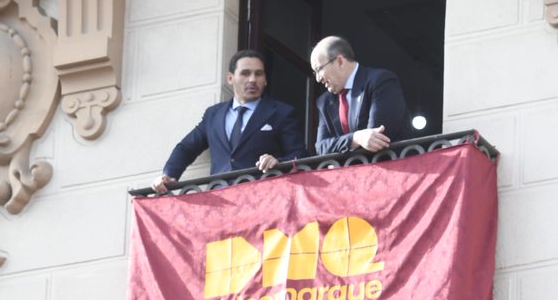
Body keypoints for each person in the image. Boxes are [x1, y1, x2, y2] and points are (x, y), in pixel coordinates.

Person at [152, 49, 304, 193]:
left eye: (258, 74)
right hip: (220, 203)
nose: (252, 79)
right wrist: (168, 175)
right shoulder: (213, 115)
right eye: (245, 73)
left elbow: (300, 155)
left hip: (264, 200)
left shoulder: (282, 113)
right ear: (230, 78)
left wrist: (278, 162)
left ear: (265, 80)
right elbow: (186, 148)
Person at [310, 35, 408, 155]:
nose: (318, 78)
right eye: (314, 72)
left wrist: (345, 144)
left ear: (340, 61)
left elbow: (376, 138)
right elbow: (321, 148)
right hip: (351, 173)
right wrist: (356, 138)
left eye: (319, 69)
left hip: (391, 168)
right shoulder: (324, 101)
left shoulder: (380, 81)